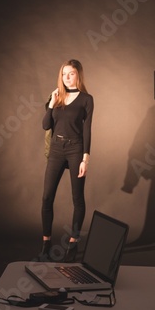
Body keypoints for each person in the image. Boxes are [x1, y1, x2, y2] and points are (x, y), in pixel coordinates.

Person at [39, 59, 94, 262]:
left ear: (78, 75)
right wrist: (51, 104)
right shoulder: (56, 97)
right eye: (64, 74)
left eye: (71, 73)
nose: (67, 77)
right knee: (46, 197)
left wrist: (85, 159)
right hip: (56, 149)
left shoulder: (86, 99)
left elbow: (87, 130)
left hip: (75, 149)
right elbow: (46, 125)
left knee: (77, 198)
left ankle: (73, 244)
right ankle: (46, 244)